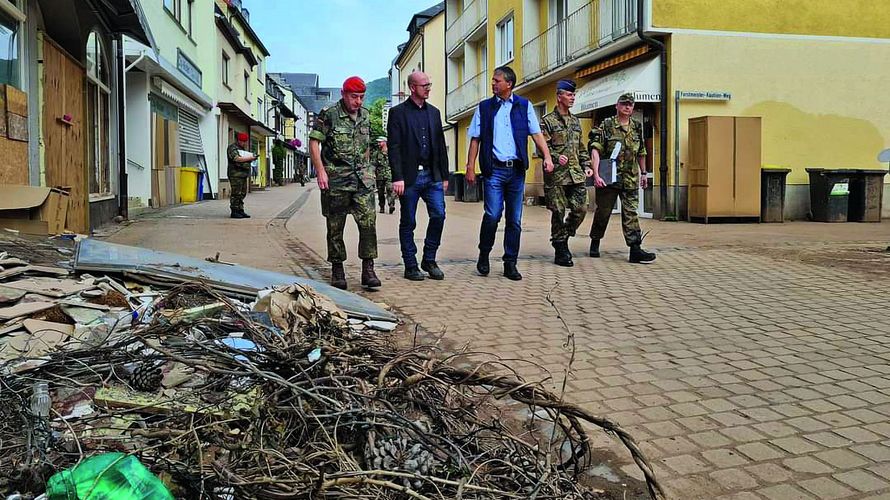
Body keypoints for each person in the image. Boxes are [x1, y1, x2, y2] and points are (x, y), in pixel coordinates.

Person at [465, 66, 554, 281]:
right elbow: (475, 139)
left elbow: (536, 134)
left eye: (497, 80)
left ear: (509, 84)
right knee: (493, 215)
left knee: (514, 220)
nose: (493, 84)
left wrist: (548, 157)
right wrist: (470, 167)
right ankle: (484, 254)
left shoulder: (524, 106)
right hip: (493, 170)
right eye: (493, 80)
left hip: (515, 171)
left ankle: (510, 263)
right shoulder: (485, 108)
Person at [308, 76, 382, 290]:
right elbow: (314, 143)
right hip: (337, 180)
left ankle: (368, 270)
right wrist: (320, 171)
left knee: (368, 224)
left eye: (361, 97)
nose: (358, 102)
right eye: (354, 97)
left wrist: (369, 169)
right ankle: (337, 269)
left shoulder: (366, 116)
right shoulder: (329, 115)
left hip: (362, 181)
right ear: (343, 94)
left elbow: (366, 145)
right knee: (335, 227)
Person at [387, 71, 449, 281]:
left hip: (432, 176)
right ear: (413, 88)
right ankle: (410, 265)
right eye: (425, 85)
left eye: (429, 84)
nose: (428, 88)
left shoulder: (434, 112)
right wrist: (397, 177)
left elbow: (440, 145)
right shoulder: (398, 113)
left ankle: (429, 259)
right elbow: (394, 148)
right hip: (409, 178)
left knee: (439, 215)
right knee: (408, 222)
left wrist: (444, 175)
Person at [587, 92, 656, 263]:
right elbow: (596, 149)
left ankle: (635, 249)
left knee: (631, 213)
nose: (627, 107)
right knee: (603, 212)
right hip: (609, 178)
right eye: (624, 104)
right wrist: (596, 174)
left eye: (630, 105)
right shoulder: (607, 125)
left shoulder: (637, 127)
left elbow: (641, 152)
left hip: (630, 178)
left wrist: (644, 173)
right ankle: (595, 240)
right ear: (617, 106)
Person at [540, 79, 593, 267]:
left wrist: (587, 164)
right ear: (559, 96)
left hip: (576, 174)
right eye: (569, 95)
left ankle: (562, 236)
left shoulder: (575, 121)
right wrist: (555, 156)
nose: (572, 98)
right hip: (557, 176)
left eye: (573, 95)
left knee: (581, 208)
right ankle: (561, 247)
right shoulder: (547, 121)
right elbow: (541, 147)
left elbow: (580, 147)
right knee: (558, 211)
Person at [227, 132, 257, 219]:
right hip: (235, 174)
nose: (244, 143)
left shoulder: (242, 149)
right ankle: (234, 211)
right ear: (238, 140)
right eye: (242, 141)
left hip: (243, 174)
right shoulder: (232, 148)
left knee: (242, 193)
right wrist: (250, 158)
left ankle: (240, 210)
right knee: (236, 193)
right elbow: (237, 158)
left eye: (245, 141)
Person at [372, 137, 395, 214]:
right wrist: (372, 174)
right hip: (380, 176)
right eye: (378, 142)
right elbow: (373, 164)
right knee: (380, 192)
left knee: (390, 190)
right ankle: (382, 206)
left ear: (385, 142)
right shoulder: (376, 153)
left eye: (380, 142)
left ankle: (391, 205)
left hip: (389, 175)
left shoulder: (392, 152)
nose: (378, 144)